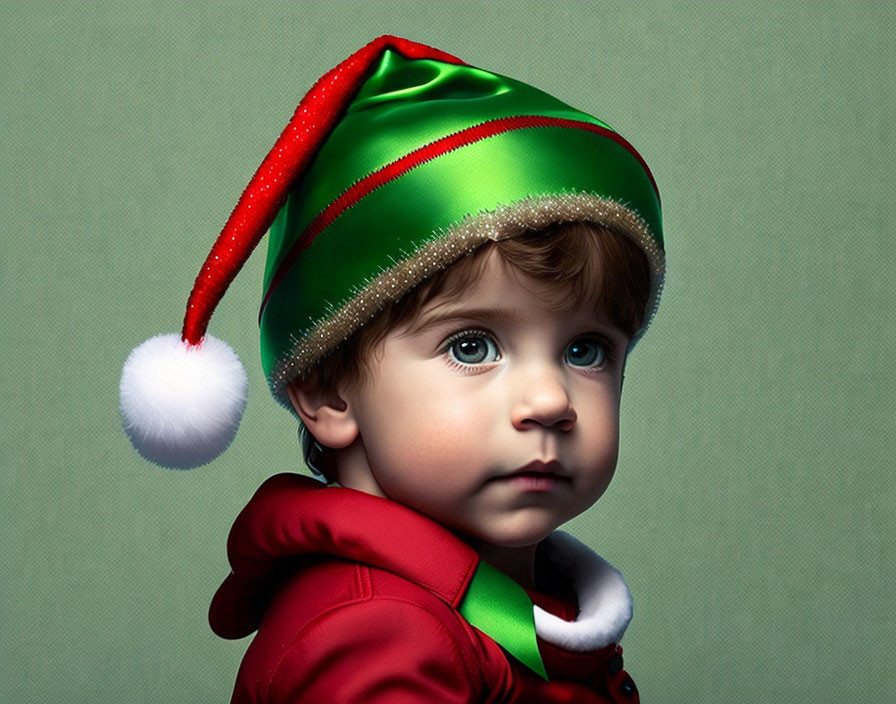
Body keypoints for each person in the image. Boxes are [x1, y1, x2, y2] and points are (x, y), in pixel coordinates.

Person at [119, 35, 664, 703]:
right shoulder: (382, 635)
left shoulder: (503, 604)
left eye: (586, 350)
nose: (551, 400)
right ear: (326, 387)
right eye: (471, 346)